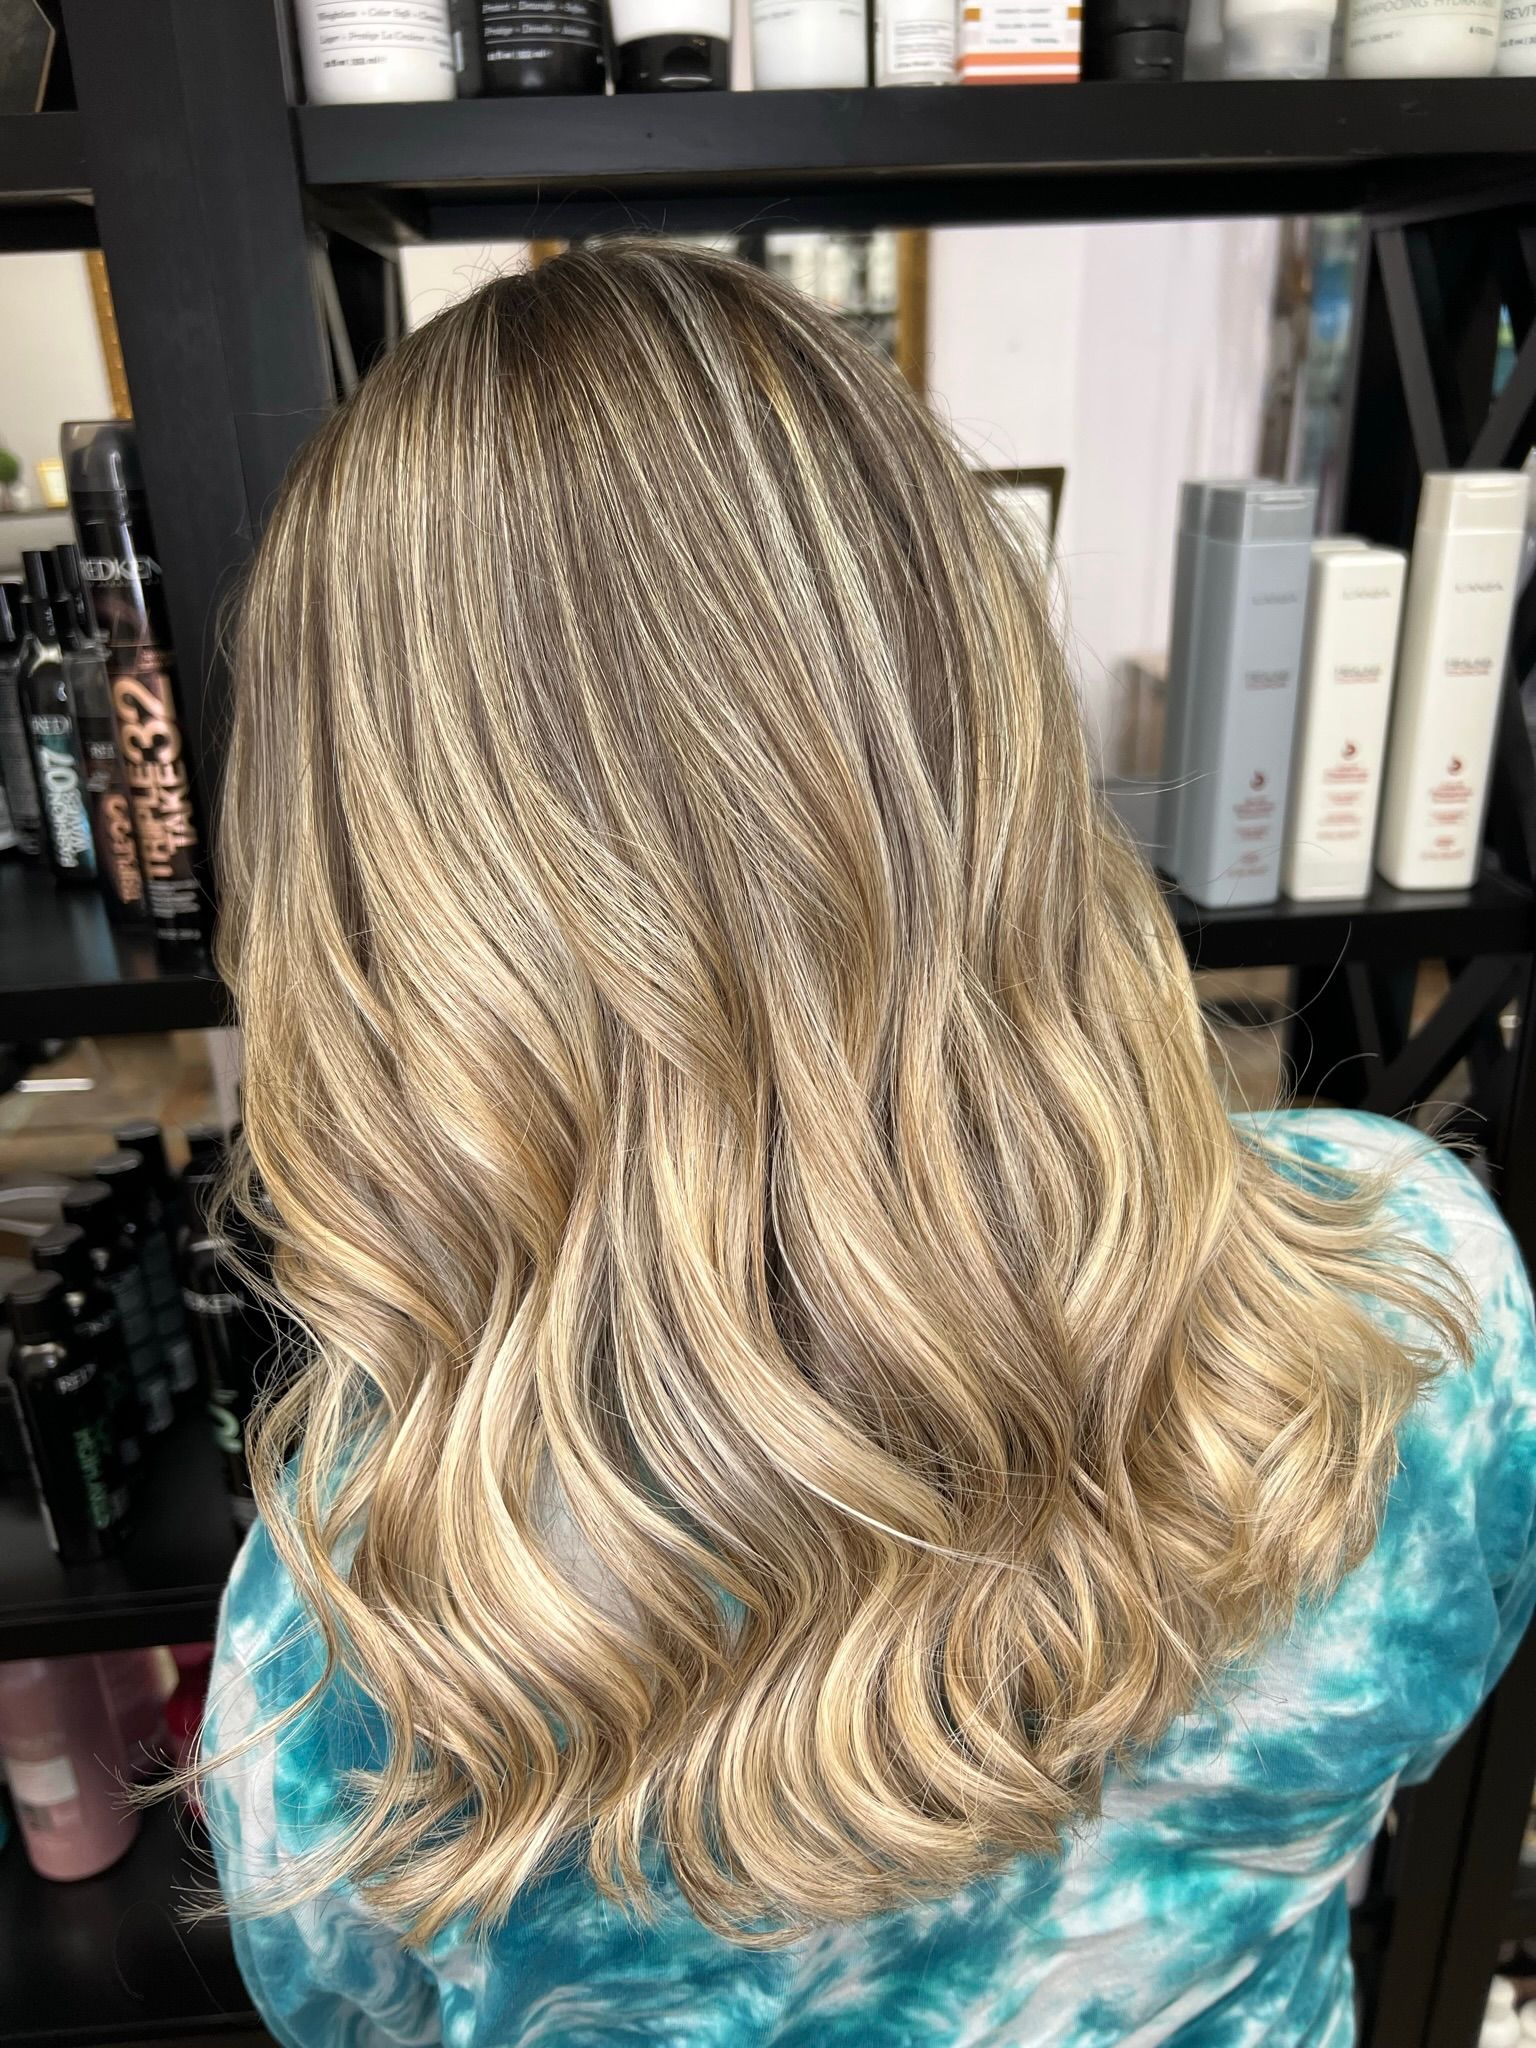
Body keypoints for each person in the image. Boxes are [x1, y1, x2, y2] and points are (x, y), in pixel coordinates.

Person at [202, 240, 1536, 2048]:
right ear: (976, 719)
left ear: (378, 908)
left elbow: (343, 2020)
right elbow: (1424, 1713)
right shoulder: (1416, 1299)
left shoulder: (373, 1624)